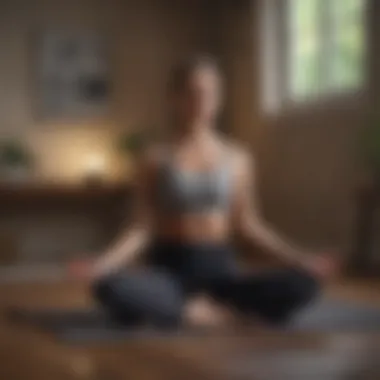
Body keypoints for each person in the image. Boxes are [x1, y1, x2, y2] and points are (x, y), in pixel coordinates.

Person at [71, 54, 337, 328]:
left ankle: (198, 310)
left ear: (219, 98)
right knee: (109, 287)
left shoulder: (238, 158)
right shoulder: (154, 158)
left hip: (222, 274)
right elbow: (141, 227)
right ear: (174, 98)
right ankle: (199, 310)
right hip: (169, 273)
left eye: (211, 93)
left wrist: (300, 258)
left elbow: (249, 225)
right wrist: (103, 263)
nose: (202, 102)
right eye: (193, 93)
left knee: (305, 285)